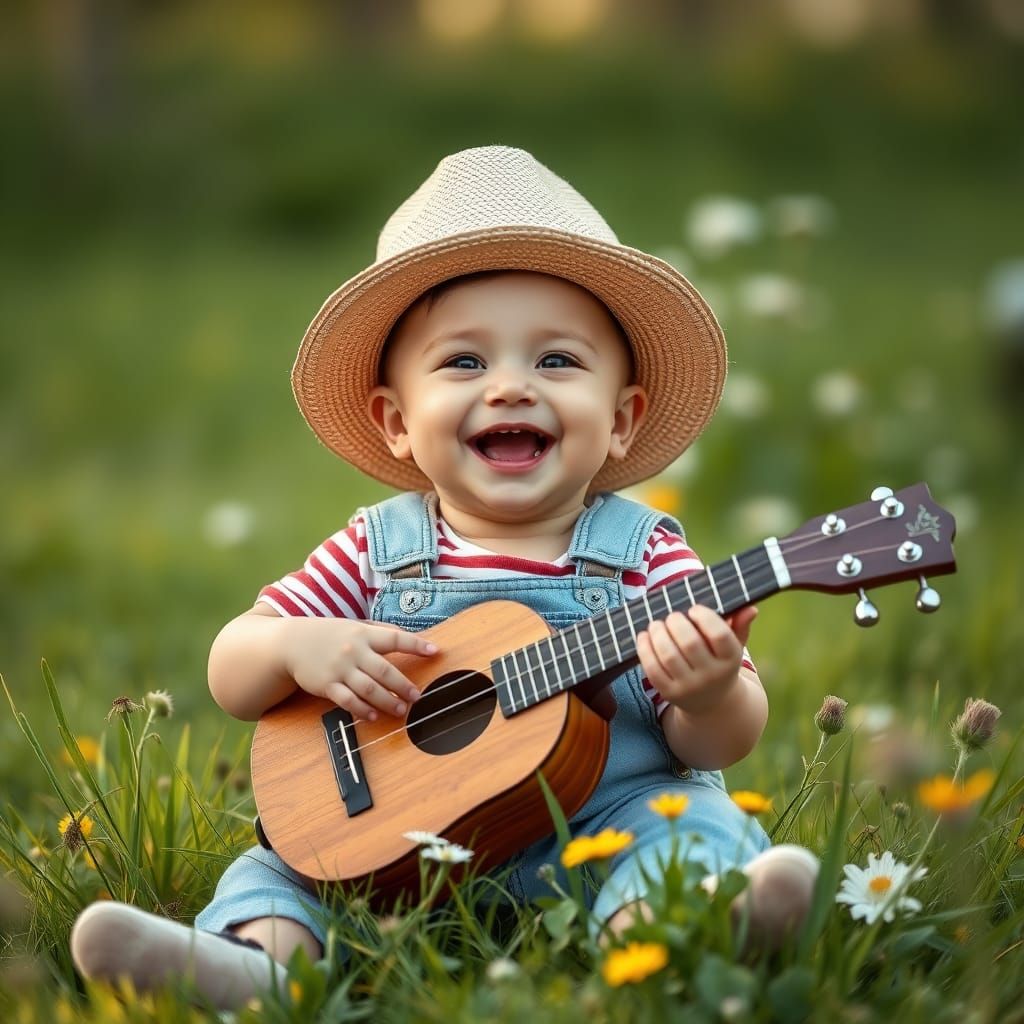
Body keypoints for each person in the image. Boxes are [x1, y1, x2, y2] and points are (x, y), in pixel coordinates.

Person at [70, 146, 819, 1008]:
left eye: (557, 362)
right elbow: (232, 670)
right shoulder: (377, 548)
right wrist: (296, 645)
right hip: (390, 845)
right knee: (280, 866)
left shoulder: (648, 554)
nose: (509, 388)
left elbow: (715, 745)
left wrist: (712, 688)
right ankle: (254, 964)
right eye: (464, 362)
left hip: (603, 830)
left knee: (688, 827)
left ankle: (681, 930)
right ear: (395, 421)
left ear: (621, 420)